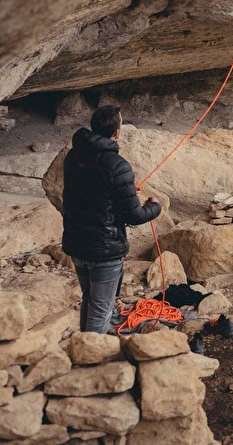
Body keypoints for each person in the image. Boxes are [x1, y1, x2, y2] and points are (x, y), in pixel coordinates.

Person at [61, 105, 162, 333]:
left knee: (90, 299)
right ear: (116, 132)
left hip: (76, 243)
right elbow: (134, 216)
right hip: (104, 250)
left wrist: (122, 192)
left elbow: (89, 192)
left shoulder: (74, 155)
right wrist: (155, 207)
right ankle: (92, 359)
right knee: (101, 309)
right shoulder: (118, 166)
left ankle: (84, 347)